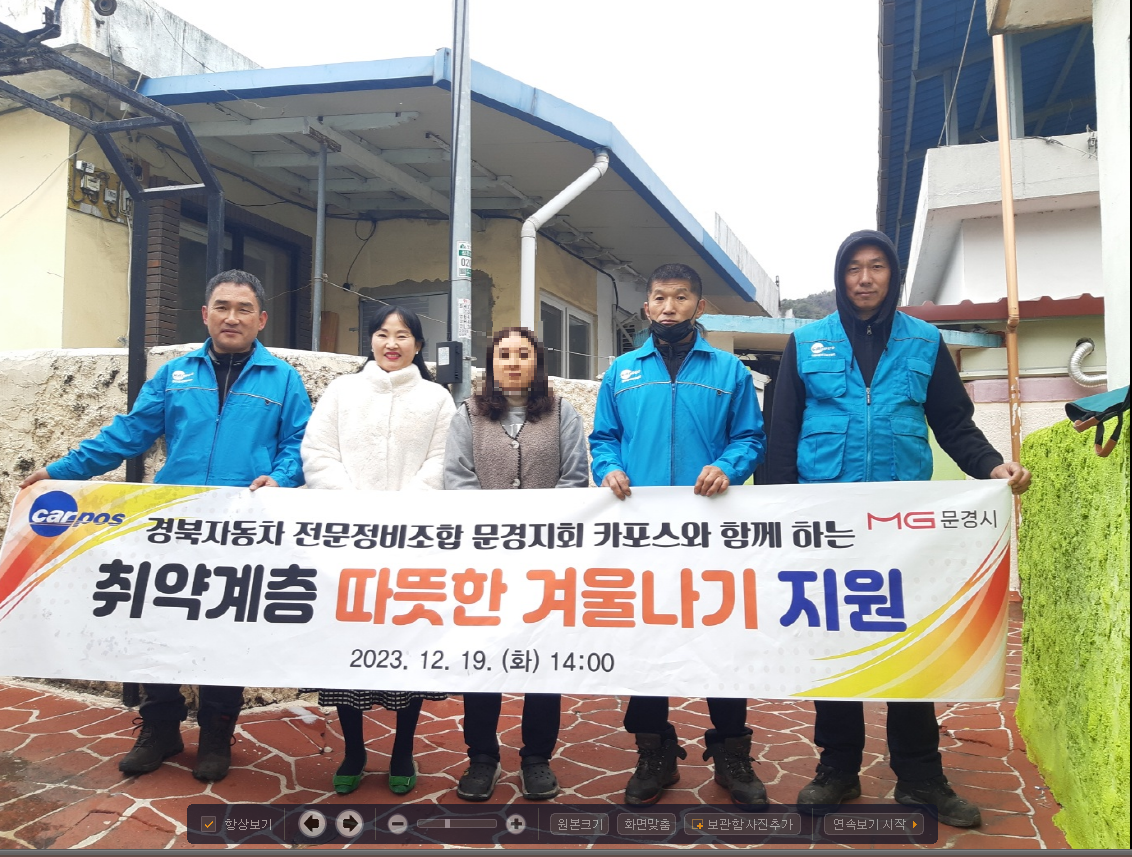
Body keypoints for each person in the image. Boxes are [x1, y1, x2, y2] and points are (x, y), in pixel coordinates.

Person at [766, 229, 1032, 828]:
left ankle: (920, 775)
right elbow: (782, 435)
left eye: (877, 267)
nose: (865, 279)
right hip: (827, 527)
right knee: (834, 646)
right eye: (854, 268)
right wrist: (782, 520)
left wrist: (993, 466)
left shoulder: (924, 341)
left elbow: (953, 424)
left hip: (900, 530)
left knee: (910, 645)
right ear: (840, 278)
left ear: (893, 275)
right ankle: (837, 768)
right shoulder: (805, 343)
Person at [19, 269, 311, 782]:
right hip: (174, 526)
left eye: (244, 309)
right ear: (205, 314)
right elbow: (128, 434)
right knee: (158, 629)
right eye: (222, 307)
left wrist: (281, 478)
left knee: (227, 632)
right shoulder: (176, 375)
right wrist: (61, 472)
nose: (232, 317)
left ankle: (216, 735)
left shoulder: (283, 379)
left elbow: (299, 444)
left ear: (262, 319)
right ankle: (160, 729)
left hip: (241, 528)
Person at [589, 262, 767, 808]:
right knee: (646, 642)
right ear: (646, 307)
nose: (669, 307)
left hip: (710, 532)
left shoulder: (729, 371)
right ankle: (654, 751)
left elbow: (749, 437)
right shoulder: (622, 372)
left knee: (721, 639)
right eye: (660, 297)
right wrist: (609, 469)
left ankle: (732, 753)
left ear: (699, 306)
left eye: (681, 297)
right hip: (640, 535)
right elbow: (603, 439)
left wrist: (728, 467)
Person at [299, 304, 456, 796]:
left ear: (418, 345)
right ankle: (354, 750)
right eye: (384, 334)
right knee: (348, 651)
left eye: (403, 335)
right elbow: (317, 453)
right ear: (370, 340)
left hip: (412, 547)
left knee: (407, 652)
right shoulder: (342, 392)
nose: (392, 343)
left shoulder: (436, 399)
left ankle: (403, 749)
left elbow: (443, 462)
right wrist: (355, 509)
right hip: (348, 544)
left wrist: (402, 514)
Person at [442, 326, 590, 801]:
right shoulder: (468, 414)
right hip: (484, 563)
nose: (512, 362)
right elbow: (457, 479)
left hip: (546, 561)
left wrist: (538, 532)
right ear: (490, 364)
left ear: (536, 363)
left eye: (522, 354)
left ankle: (536, 758)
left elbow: (575, 477)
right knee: (482, 657)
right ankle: (482, 757)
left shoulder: (562, 412)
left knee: (542, 657)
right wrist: (497, 533)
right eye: (503, 354)